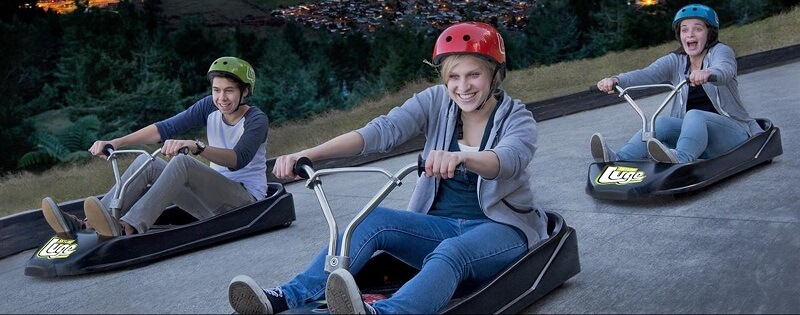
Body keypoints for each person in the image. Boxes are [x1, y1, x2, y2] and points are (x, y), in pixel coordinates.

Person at [226, 22, 548, 314]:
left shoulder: (516, 117)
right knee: (374, 220)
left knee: (452, 252)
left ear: (494, 73)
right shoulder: (436, 102)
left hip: (502, 230)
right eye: (453, 76)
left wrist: (464, 158)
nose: (462, 86)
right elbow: (380, 132)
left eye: (473, 74)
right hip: (439, 226)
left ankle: (387, 313)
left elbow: (507, 159)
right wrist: (308, 154)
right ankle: (285, 297)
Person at [41, 56, 269, 238]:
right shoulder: (209, 106)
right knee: (146, 162)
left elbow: (238, 158)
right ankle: (91, 224)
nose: (221, 98)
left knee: (183, 162)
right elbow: (164, 128)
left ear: (245, 91)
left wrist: (197, 147)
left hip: (245, 204)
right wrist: (117, 142)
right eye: (216, 90)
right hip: (208, 205)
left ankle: (128, 226)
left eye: (229, 90)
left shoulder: (256, 119)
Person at [591, 3, 763, 164]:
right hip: (696, 137)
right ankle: (619, 158)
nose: (690, 35)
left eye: (698, 29)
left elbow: (724, 69)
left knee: (695, 114)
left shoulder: (721, 51)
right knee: (661, 122)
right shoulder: (676, 61)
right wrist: (616, 80)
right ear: (679, 35)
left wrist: (708, 73)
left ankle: (681, 159)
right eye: (684, 30)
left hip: (734, 135)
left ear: (709, 33)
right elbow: (645, 74)